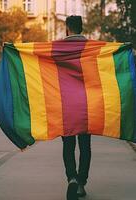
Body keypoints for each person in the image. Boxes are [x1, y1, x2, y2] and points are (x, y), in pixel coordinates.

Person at [62, 15, 90, 200]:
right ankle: (81, 183)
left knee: (68, 144)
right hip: (87, 104)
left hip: (66, 104)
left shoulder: (58, 48)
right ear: (81, 28)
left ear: (67, 28)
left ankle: (71, 177)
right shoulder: (92, 48)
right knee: (85, 146)